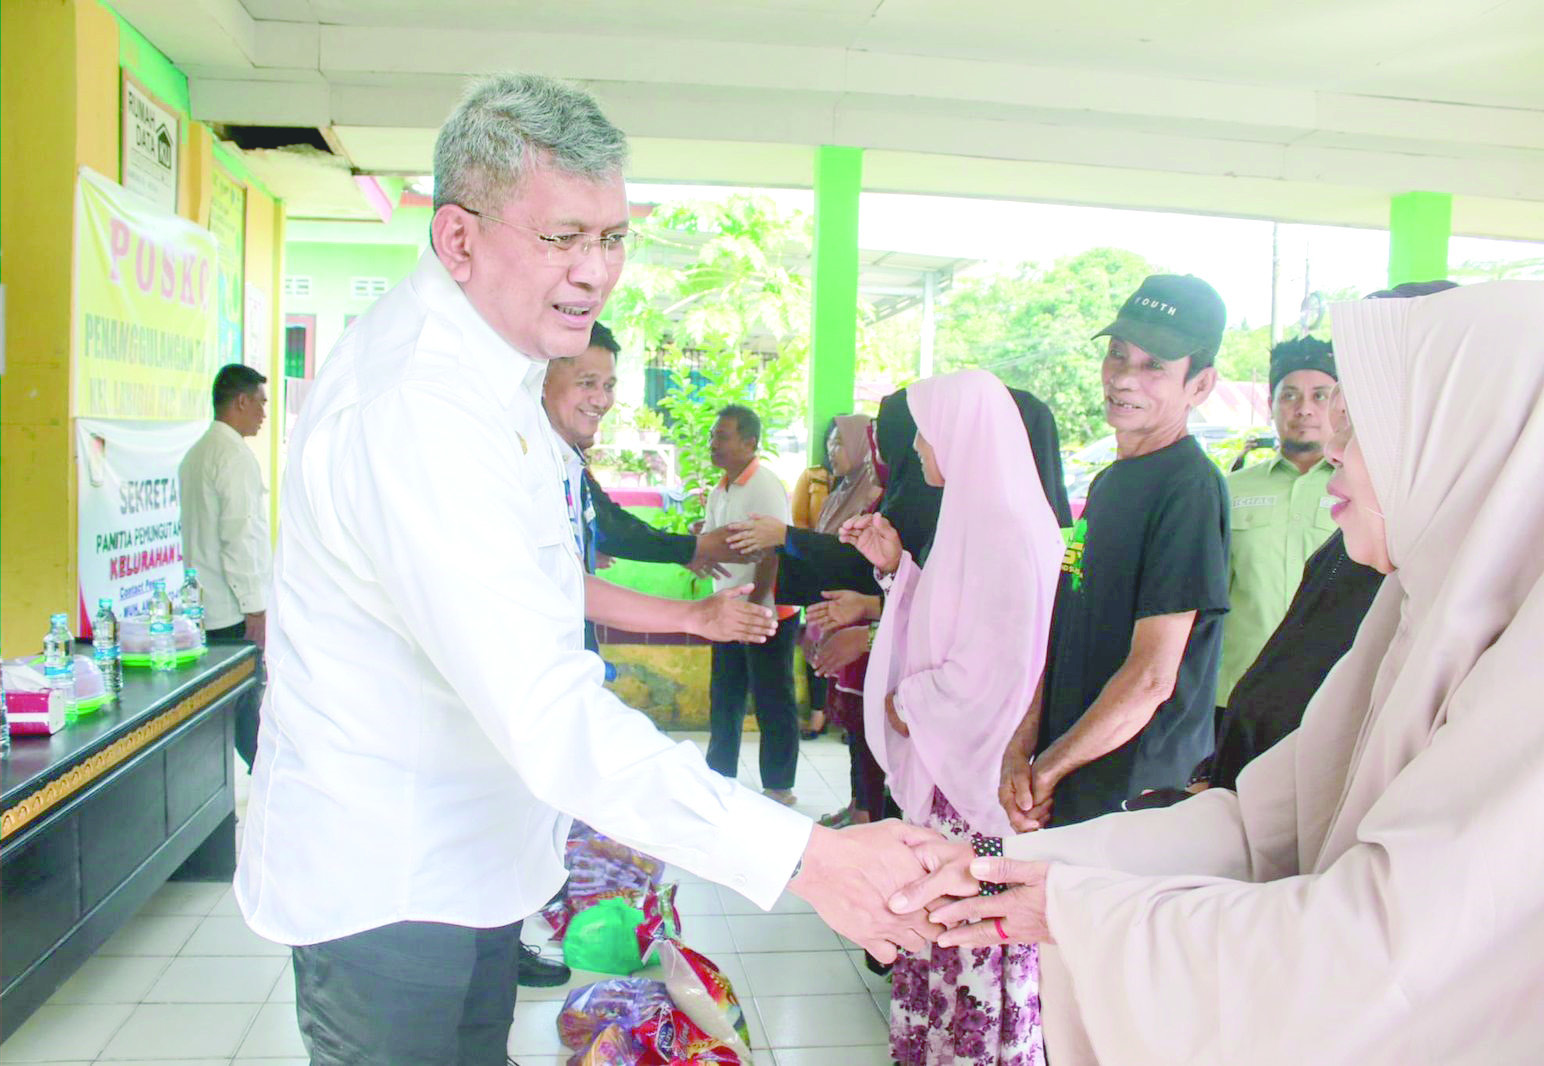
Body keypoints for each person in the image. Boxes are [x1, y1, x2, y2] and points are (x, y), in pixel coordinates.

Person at [234, 72, 941, 1066]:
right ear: (459, 239)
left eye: (611, 236)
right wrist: (807, 857)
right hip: (388, 880)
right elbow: (543, 707)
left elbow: (524, 580)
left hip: (469, 854)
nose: (596, 269)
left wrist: (688, 622)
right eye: (562, 236)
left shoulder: (500, 375)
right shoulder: (418, 408)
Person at [894, 279, 1544, 1066]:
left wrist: (1075, 905)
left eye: (1364, 425)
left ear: (1462, 443)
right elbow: (1267, 824)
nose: (1331, 445)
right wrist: (1018, 867)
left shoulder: (1521, 672)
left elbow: (1381, 951)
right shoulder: (1418, 610)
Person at [842, 369, 1064, 1064]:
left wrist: (910, 704)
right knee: (945, 935)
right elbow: (954, 623)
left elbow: (996, 667)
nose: (920, 449)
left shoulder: (1002, 525)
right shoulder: (979, 514)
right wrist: (897, 569)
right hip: (954, 771)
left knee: (970, 934)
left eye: (928, 432)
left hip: (973, 781)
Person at [1000, 275, 1231, 830]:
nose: (1125, 376)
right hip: (1074, 773)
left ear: (1199, 386)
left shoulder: (1189, 488)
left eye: (1155, 366)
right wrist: (1020, 750)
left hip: (1131, 790)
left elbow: (1153, 676)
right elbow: (1063, 630)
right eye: (1117, 354)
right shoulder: (1110, 482)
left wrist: (1048, 770)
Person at [1215, 336, 1338, 714]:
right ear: (1271, 405)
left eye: (1320, 396)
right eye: (1289, 396)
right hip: (1236, 698)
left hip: (1332, 697)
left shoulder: (1365, 489)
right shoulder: (1229, 490)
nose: (1304, 409)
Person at [702, 404, 803, 805]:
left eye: (722, 437)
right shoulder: (720, 489)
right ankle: (719, 775)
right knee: (724, 694)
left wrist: (761, 601)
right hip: (729, 608)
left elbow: (775, 548)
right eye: (713, 436)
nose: (714, 444)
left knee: (772, 697)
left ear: (750, 442)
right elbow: (712, 540)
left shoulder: (764, 485)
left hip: (766, 610)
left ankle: (779, 786)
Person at [177, 363, 271, 770]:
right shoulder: (233, 457)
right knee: (247, 710)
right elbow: (240, 538)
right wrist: (255, 606)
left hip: (205, 607)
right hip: (233, 608)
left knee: (220, 714)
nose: (264, 415)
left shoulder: (198, 453)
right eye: (261, 404)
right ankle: (271, 786)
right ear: (241, 401)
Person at [793, 421, 840, 737]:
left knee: (852, 644)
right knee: (817, 642)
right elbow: (798, 522)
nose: (837, 449)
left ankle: (846, 715)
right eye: (833, 442)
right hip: (818, 571)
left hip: (853, 578)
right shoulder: (813, 477)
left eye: (844, 443)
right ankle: (818, 714)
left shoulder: (873, 482)